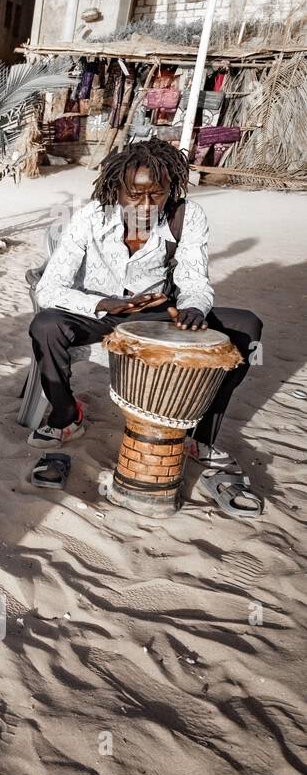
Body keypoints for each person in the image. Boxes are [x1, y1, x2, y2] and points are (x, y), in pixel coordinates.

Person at [29, 137, 263, 518]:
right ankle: (65, 416)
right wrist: (107, 304)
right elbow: (50, 287)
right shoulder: (90, 216)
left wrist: (192, 308)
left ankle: (198, 436)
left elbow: (194, 279)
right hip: (99, 312)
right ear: (115, 188)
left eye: (157, 194)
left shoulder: (187, 216)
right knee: (46, 324)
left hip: (155, 314)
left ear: (171, 190)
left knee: (245, 327)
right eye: (135, 194)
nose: (146, 205)